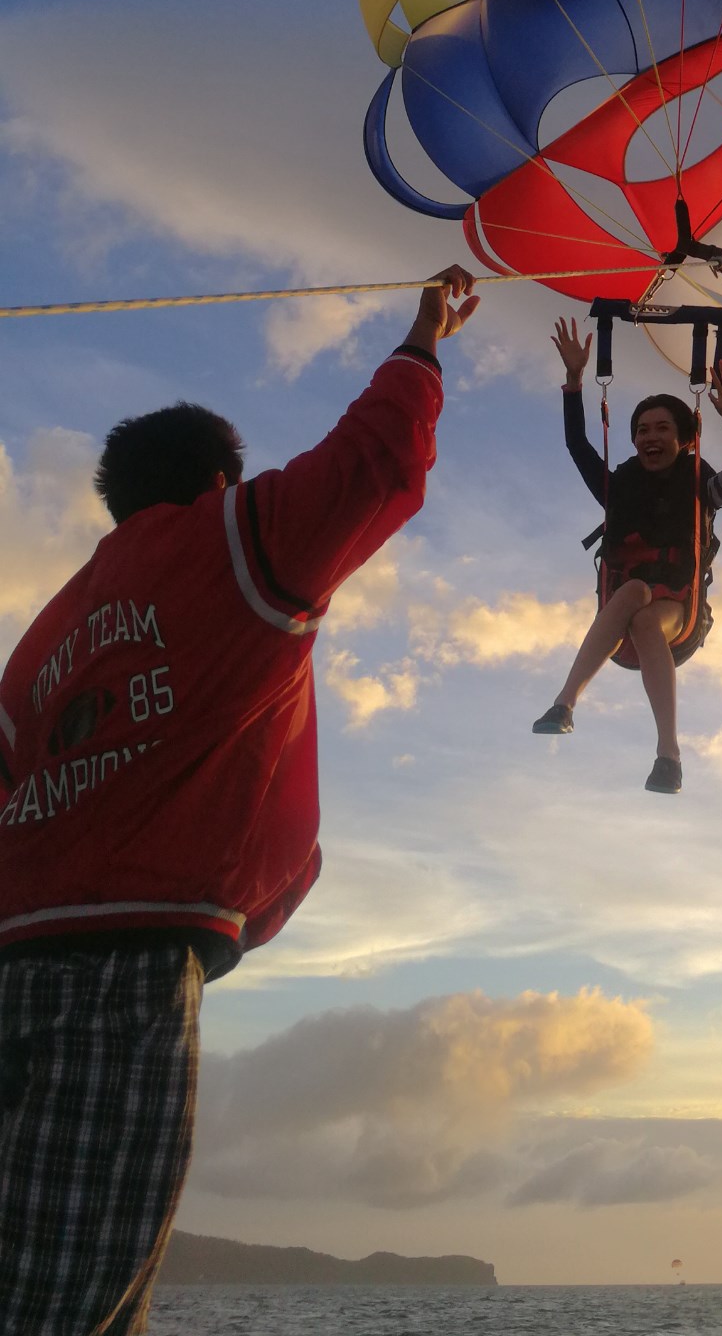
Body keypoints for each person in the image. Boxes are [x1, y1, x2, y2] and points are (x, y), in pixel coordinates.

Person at [0, 267, 480, 1336]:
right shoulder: (232, 540)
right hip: (123, 973)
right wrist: (424, 335)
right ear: (221, 476)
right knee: (67, 1297)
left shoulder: (44, 638)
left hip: (15, 959)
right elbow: (376, 462)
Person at [531, 317, 722, 794]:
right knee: (634, 596)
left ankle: (667, 754)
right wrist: (574, 381)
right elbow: (577, 445)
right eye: (642, 430)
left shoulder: (700, 485)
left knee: (645, 611)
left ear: (685, 439)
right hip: (624, 614)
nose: (650, 437)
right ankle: (564, 707)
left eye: (663, 429)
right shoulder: (620, 487)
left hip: (679, 613)